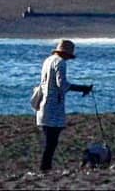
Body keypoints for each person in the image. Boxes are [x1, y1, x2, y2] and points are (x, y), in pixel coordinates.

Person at [34, 38, 92, 172]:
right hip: (53, 107)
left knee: (50, 141)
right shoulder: (60, 63)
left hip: (44, 105)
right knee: (51, 142)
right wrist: (82, 88)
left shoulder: (48, 60)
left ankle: (45, 168)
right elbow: (62, 85)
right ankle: (45, 168)